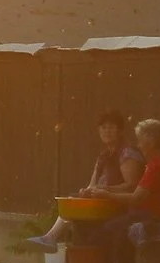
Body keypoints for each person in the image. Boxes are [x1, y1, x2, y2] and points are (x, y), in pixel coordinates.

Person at [26, 108, 144, 252]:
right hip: (101, 203)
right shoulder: (104, 155)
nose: (107, 131)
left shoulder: (127, 153)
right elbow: (92, 185)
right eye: (103, 127)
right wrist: (87, 191)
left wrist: (106, 190)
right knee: (71, 200)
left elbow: (132, 186)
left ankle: (51, 238)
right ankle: (50, 238)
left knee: (78, 211)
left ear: (120, 131)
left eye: (111, 127)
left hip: (119, 205)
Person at [97, 118, 160, 263]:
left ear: (151, 141)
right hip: (146, 211)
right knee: (114, 222)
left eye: (141, 140)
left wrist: (106, 195)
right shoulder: (154, 163)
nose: (139, 145)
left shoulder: (157, 165)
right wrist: (107, 190)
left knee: (110, 227)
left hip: (152, 214)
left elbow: (137, 197)